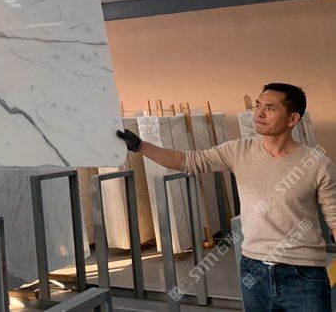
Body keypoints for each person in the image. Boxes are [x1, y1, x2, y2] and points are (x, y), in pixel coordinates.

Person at [117, 83, 336, 311]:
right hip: (253, 270)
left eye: (270, 108)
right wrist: (140, 146)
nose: (259, 113)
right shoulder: (238, 151)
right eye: (258, 105)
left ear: (293, 119)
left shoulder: (317, 164)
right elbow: (187, 161)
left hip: (303, 273)